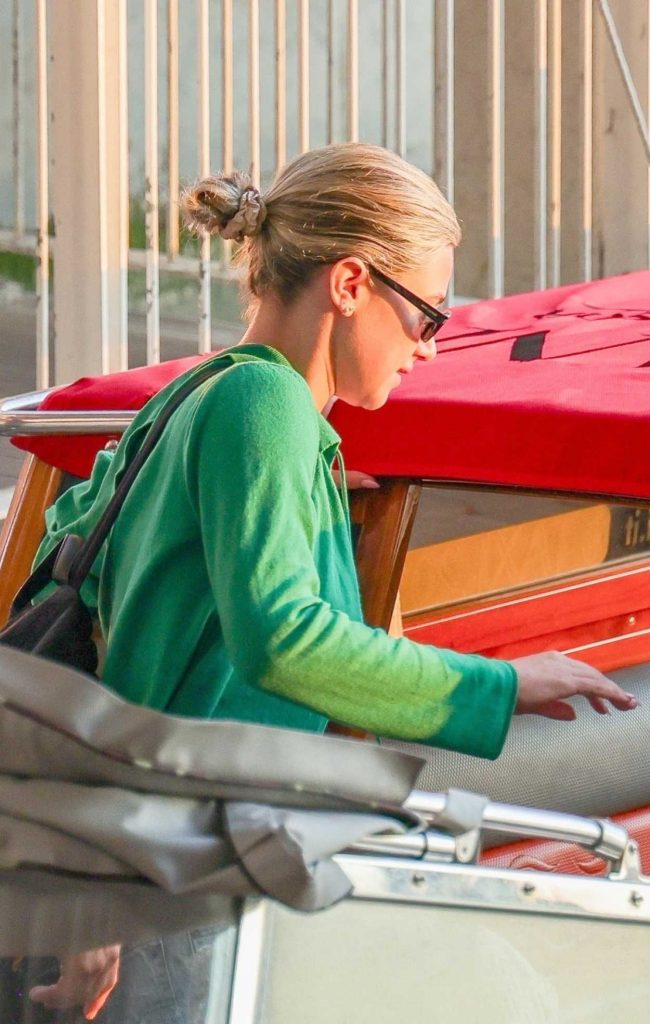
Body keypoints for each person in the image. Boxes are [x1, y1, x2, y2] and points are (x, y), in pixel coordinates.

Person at [26, 143, 638, 1018]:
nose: (431, 349)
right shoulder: (262, 407)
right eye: (428, 315)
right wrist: (507, 684)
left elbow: (87, 554)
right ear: (350, 284)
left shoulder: (204, 396)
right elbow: (285, 639)